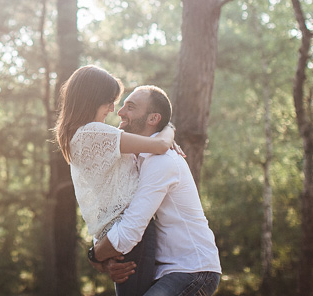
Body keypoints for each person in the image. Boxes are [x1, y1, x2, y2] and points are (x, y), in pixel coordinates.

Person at [54, 65, 177, 296]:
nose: (113, 108)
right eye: (109, 101)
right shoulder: (94, 133)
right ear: (91, 99)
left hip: (114, 236)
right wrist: (168, 128)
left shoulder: (78, 136)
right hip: (130, 231)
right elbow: (160, 146)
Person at [92, 85, 221, 296]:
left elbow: (129, 231)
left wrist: (96, 255)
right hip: (156, 271)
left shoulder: (161, 161)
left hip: (193, 269)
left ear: (153, 119)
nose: (121, 112)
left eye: (130, 107)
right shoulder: (129, 160)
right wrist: (107, 259)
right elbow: (110, 214)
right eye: (123, 106)